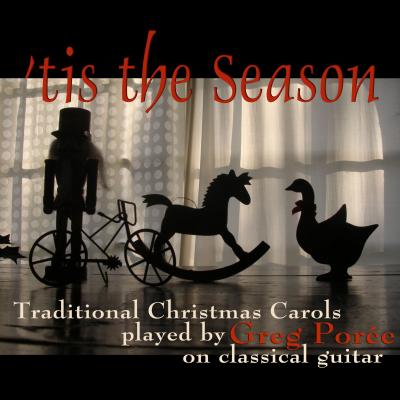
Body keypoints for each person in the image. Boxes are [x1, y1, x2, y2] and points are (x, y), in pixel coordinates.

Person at [43, 107, 103, 283]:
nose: (70, 146)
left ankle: (74, 260)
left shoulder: (87, 162)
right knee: (61, 232)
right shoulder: (56, 161)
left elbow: (92, 182)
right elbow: (49, 180)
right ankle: (60, 258)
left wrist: (90, 203)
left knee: (75, 233)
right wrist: (48, 202)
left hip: (75, 200)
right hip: (63, 199)